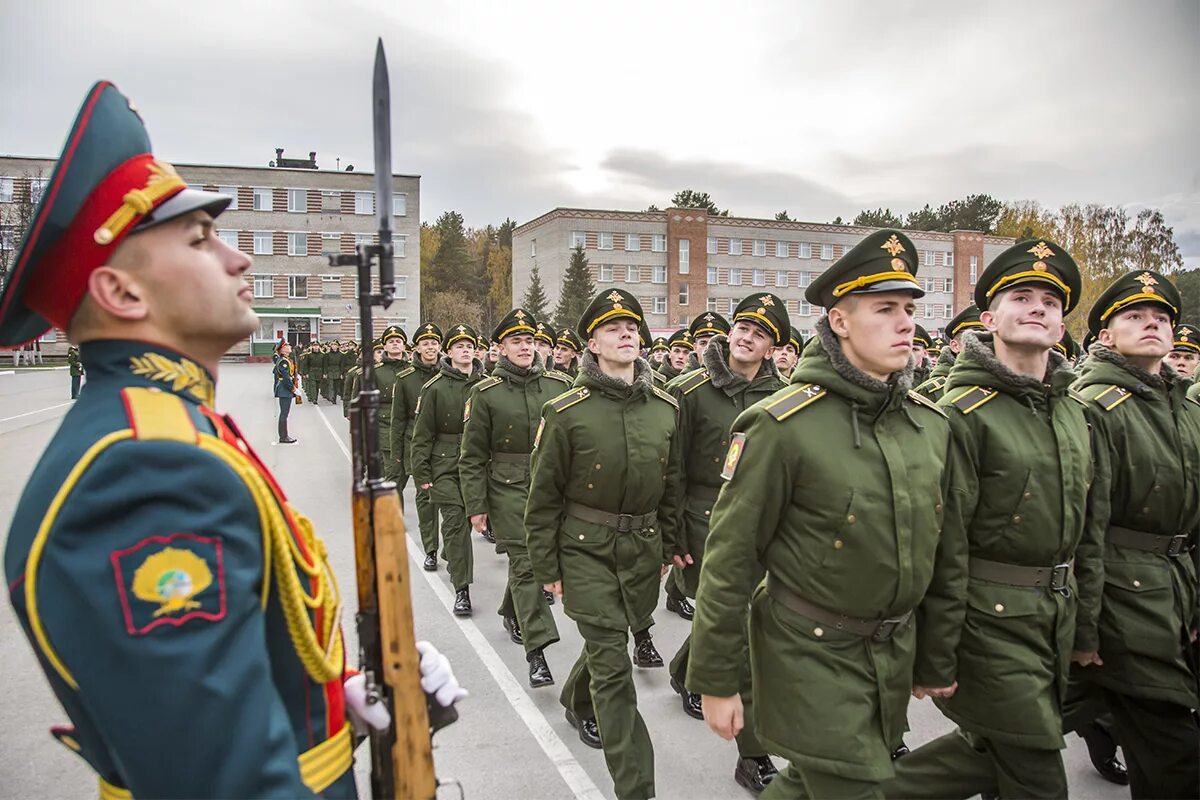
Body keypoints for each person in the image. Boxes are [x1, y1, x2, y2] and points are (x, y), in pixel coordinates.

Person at [0, 82, 464, 798]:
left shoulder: (171, 428)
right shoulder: (141, 470)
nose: (239, 259)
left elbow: (225, 680)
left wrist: (332, 701)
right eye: (199, 240)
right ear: (123, 295)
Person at [688, 229, 956, 799]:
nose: (906, 323)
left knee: (814, 787)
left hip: (889, 652)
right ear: (839, 321)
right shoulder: (783, 425)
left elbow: (940, 550)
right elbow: (731, 557)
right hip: (808, 651)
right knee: (855, 787)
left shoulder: (929, 426)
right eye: (885, 309)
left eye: (909, 309)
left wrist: (933, 656)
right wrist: (716, 680)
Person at [881, 238, 1097, 800]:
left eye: (1050, 303)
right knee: (1037, 767)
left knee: (990, 753)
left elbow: (1087, 528)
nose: (1037, 308)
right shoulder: (961, 414)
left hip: (1055, 617)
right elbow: (943, 544)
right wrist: (937, 654)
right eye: (1020, 296)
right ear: (989, 318)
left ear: (1061, 323)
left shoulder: (1074, 412)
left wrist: (1085, 626)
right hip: (989, 620)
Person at [526, 288, 682, 800]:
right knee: (615, 670)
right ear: (591, 343)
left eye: (633, 326)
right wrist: (546, 564)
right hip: (584, 550)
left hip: (642, 551)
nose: (627, 334)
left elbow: (672, 483)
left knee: (606, 642)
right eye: (613, 328)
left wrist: (668, 546)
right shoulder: (566, 410)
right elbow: (542, 496)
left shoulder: (664, 408)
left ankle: (574, 697)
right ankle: (637, 789)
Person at [1068, 270, 1200, 800]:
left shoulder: (1188, 409)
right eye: (1134, 316)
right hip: (1126, 594)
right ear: (1105, 335)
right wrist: (1087, 625)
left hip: (1180, 587)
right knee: (1176, 751)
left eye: (1162, 317)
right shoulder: (1094, 407)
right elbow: (1084, 526)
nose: (1152, 324)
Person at [666, 292, 789, 793]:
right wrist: (671, 534)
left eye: (760, 333)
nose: (746, 336)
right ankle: (753, 755)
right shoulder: (690, 390)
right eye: (742, 326)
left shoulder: (784, 396)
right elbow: (670, 468)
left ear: (771, 346)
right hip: (704, 520)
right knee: (738, 631)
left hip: (760, 526)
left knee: (740, 620)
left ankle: (684, 669)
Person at [460, 308, 571, 687]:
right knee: (527, 563)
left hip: (550, 488)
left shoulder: (558, 386)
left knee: (533, 561)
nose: (525, 347)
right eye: (516, 341)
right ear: (500, 348)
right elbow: (472, 455)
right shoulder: (485, 393)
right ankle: (537, 652)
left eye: (530, 340)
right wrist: (476, 506)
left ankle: (512, 610)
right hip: (507, 489)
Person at [411, 323, 484, 615]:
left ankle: (453, 557)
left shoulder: (486, 384)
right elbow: (422, 435)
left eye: (469, 346)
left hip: (479, 466)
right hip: (446, 465)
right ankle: (462, 589)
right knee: (455, 524)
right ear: (449, 351)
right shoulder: (435, 388)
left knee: (466, 524)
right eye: (459, 346)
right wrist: (423, 474)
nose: (465, 351)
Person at [393, 323, 445, 571]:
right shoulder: (405, 379)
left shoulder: (449, 374)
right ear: (417, 348)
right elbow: (398, 420)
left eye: (434, 343)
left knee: (451, 500)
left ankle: (452, 546)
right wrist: (397, 455)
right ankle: (431, 549)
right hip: (418, 444)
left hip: (446, 447)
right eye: (425, 343)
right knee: (425, 499)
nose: (430, 347)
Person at [914, 305, 984, 400]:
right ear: (955, 346)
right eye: (973, 339)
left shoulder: (1001, 385)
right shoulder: (931, 392)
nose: (984, 344)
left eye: (990, 337)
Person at [273, 340, 300, 444]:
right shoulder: (284, 361)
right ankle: (283, 437)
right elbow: (285, 379)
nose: (289, 347)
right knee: (284, 413)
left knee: (284, 413)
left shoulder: (286, 359)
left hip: (284, 389)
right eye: (287, 345)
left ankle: (284, 436)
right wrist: (294, 389)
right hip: (284, 389)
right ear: (283, 349)